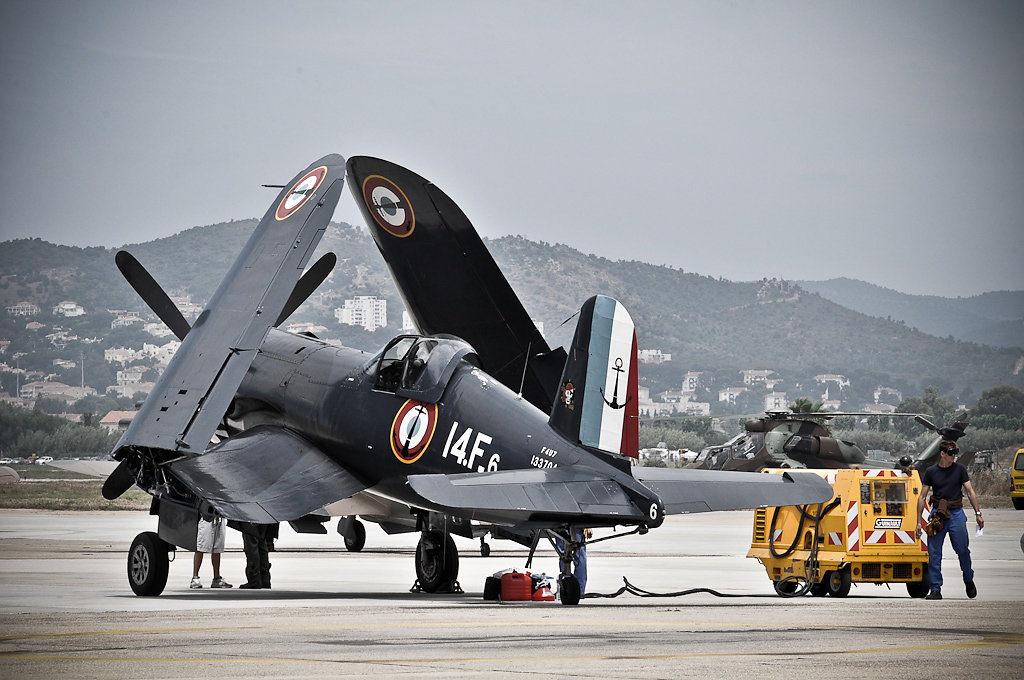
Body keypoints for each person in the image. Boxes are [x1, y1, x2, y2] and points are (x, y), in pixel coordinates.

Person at [915, 440, 984, 600]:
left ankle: (968, 579)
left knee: (962, 550)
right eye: (951, 453)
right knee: (934, 553)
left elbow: (970, 491)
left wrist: (978, 513)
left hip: (956, 514)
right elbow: (922, 496)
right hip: (938, 514)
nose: (954, 456)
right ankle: (935, 589)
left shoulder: (960, 469)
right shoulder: (931, 472)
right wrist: (919, 521)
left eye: (955, 453)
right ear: (942, 454)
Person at [228, 521, 277, 589]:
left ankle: (254, 579)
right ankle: (264, 579)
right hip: (263, 518)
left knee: (251, 546)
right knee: (262, 544)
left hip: (250, 518)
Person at [191, 516, 233, 589]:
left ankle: (216, 578)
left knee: (217, 548)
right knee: (201, 547)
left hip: (219, 518)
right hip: (206, 516)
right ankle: (195, 578)